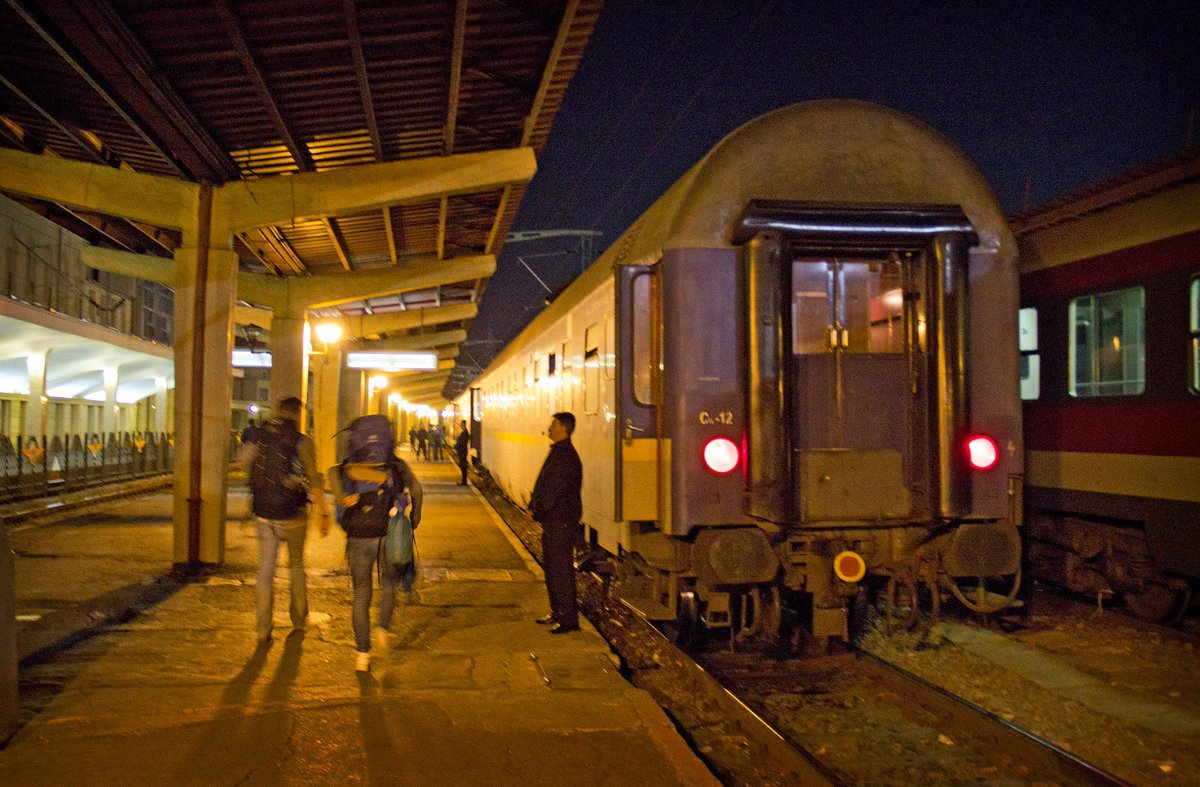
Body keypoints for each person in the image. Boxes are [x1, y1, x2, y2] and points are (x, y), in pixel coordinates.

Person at [331, 416, 423, 673]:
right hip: (389, 532)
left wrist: (341, 500)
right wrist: (413, 518)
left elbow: (331, 474)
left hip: (359, 536)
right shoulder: (396, 465)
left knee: (361, 593)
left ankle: (362, 653)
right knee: (389, 585)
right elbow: (417, 491)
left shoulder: (349, 466)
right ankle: (382, 627)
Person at [245, 397, 330, 646]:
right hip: (293, 515)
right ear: (298, 414)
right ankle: (299, 619)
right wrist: (324, 513)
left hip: (264, 515)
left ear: (279, 412)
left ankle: (263, 628)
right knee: (295, 566)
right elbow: (314, 479)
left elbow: (243, 464)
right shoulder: (303, 441)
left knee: (265, 572)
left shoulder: (260, 436)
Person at [529, 412, 583, 634]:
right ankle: (557, 612)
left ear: (562, 428)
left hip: (560, 521)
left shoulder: (565, 456)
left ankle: (568, 619)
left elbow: (554, 489)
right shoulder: (560, 452)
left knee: (561, 571)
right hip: (554, 521)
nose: (549, 429)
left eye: (553, 425)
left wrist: (537, 509)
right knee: (552, 569)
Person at [454, 420, 471, 485]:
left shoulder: (465, 433)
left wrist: (456, 446)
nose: (460, 425)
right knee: (462, 466)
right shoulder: (464, 433)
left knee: (463, 466)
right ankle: (463, 481)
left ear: (464, 424)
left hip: (462, 452)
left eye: (461, 424)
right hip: (462, 451)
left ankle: (464, 481)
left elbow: (461, 443)